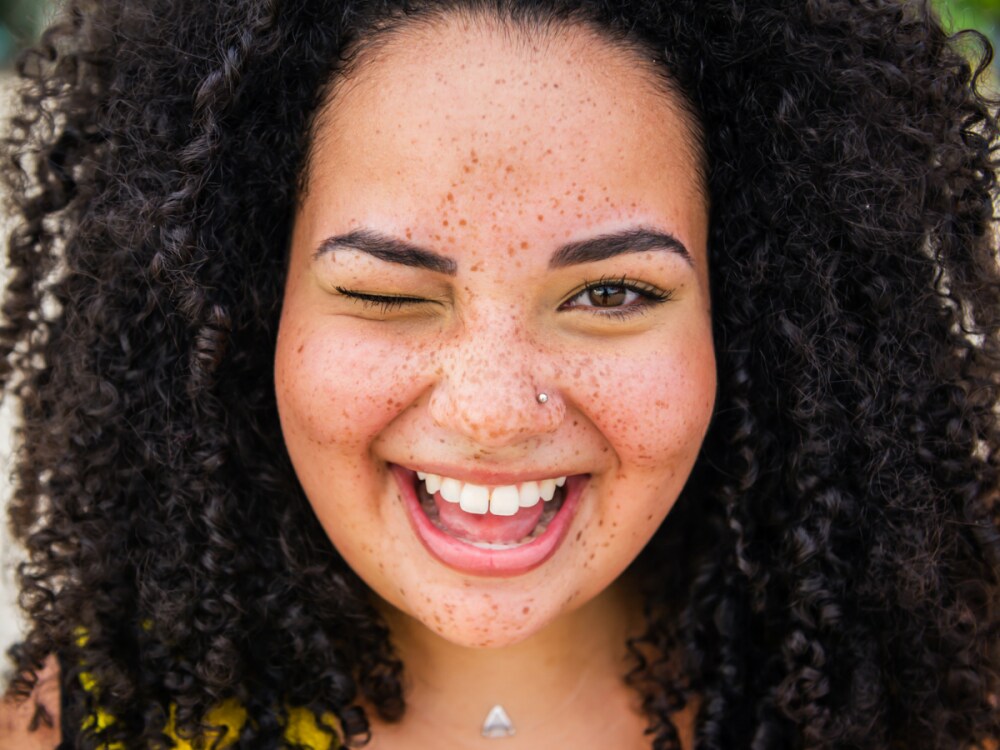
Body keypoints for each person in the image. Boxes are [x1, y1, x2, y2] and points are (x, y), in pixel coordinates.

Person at [1, 0, 998, 748]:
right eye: (387, 294)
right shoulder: (81, 726)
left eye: (612, 295)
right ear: (245, 308)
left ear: (750, 317)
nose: (489, 413)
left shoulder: (942, 709)